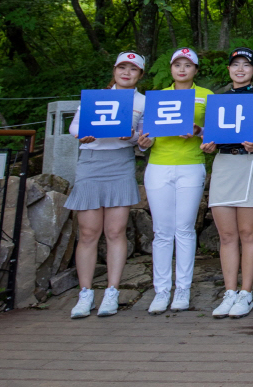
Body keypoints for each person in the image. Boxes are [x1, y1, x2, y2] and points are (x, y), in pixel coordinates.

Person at [201, 48, 253, 319]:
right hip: (224, 163)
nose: (240, 69)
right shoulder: (218, 100)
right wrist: (208, 146)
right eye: (235, 65)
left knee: (248, 233)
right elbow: (211, 138)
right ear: (228, 69)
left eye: (246, 65)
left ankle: (246, 294)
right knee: (226, 235)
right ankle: (229, 292)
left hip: (251, 163)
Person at [66, 52, 147, 319]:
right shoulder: (96, 97)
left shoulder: (143, 102)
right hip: (91, 162)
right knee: (88, 232)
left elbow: (146, 137)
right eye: (122, 67)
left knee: (115, 230)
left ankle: (112, 291)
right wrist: (83, 135)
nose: (126, 72)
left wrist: (134, 136)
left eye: (133, 69)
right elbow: (74, 127)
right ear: (114, 70)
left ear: (140, 75)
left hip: (121, 163)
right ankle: (85, 293)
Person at [138, 47, 212, 315]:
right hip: (158, 166)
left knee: (184, 228)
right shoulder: (157, 98)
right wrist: (144, 143)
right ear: (171, 68)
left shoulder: (206, 96)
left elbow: (214, 134)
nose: (182, 69)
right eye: (177, 64)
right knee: (162, 231)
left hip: (191, 166)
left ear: (195, 69)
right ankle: (161, 290)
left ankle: (183, 288)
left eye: (188, 65)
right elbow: (146, 136)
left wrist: (199, 131)